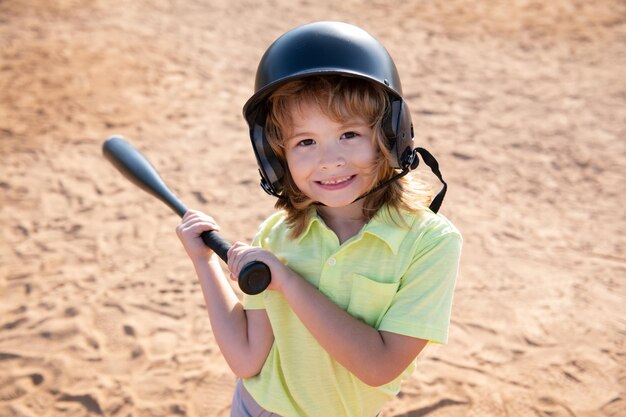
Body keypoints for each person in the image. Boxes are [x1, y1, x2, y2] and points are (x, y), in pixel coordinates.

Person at [176, 21, 462, 417]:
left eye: (349, 134)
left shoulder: (429, 242)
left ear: (392, 136)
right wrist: (203, 261)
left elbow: (378, 366)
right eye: (305, 142)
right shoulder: (278, 234)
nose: (330, 160)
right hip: (256, 407)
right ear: (276, 159)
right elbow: (246, 360)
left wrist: (287, 282)